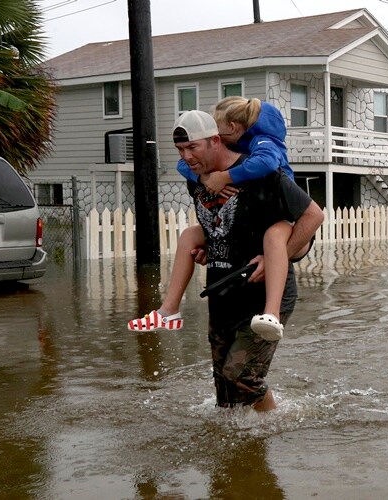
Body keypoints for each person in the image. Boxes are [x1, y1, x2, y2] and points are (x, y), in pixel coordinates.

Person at [130, 110, 324, 410]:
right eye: (181, 150)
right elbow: (219, 225)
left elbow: (313, 216)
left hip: (263, 296)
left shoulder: (260, 172)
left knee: (242, 376)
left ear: (215, 141)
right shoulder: (196, 178)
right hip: (223, 292)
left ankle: (271, 427)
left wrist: (278, 256)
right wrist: (211, 247)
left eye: (192, 147)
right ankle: (237, 444)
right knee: (225, 390)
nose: (187, 156)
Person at [195, 97, 296, 340]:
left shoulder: (264, 141)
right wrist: (203, 178)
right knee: (190, 235)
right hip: (252, 230)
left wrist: (226, 177)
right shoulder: (241, 144)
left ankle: (272, 314)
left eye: (217, 129)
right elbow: (184, 165)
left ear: (232, 127)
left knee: (273, 238)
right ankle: (169, 308)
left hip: (284, 216)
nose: (214, 135)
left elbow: (267, 163)